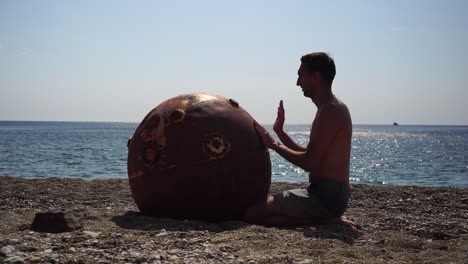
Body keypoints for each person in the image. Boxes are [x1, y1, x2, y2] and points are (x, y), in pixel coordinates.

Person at [244, 52, 354, 227]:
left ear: (316, 77)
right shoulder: (330, 108)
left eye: (300, 76)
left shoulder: (330, 111)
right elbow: (309, 153)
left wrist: (273, 145)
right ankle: (324, 218)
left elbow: (308, 163)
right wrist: (280, 133)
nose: (297, 83)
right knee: (259, 211)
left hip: (326, 197)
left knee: (252, 214)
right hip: (327, 194)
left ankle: (325, 221)